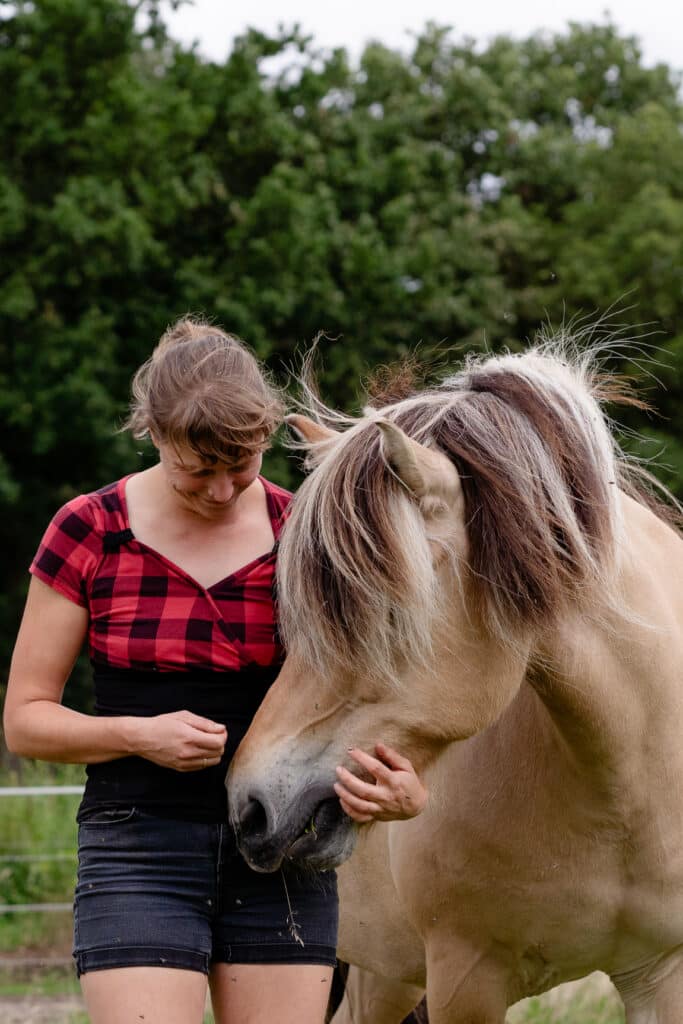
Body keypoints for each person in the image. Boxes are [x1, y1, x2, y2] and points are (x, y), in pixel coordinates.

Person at [3, 318, 428, 1024]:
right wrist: (139, 736)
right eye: (197, 470)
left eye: (243, 467)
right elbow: (25, 722)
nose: (223, 490)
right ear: (154, 435)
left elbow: (369, 696)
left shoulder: (308, 536)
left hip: (281, 851)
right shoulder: (89, 529)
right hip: (138, 844)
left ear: (267, 437)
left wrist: (404, 785)